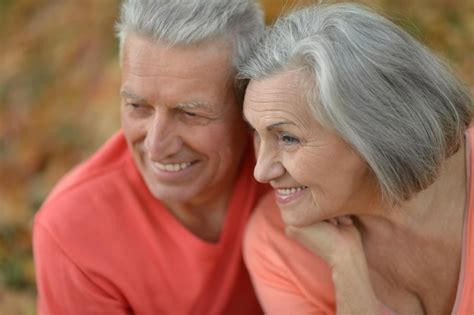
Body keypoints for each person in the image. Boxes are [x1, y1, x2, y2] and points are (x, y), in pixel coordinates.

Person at [33, 1, 267, 314]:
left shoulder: (302, 174)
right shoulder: (73, 232)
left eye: (189, 113)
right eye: (137, 107)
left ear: (249, 105)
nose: (156, 146)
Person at [239, 3, 474, 314]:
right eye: (257, 133)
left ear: (373, 133)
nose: (261, 171)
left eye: (288, 138)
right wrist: (345, 265)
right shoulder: (277, 244)